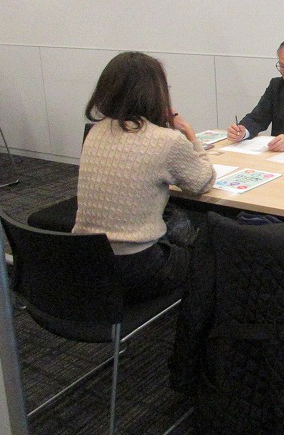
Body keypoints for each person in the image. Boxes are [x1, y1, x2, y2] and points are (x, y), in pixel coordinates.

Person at [73, 51, 217, 303]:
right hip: (136, 266)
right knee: (213, 251)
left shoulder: (96, 132)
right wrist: (190, 134)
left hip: (87, 259)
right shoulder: (166, 140)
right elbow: (203, 182)